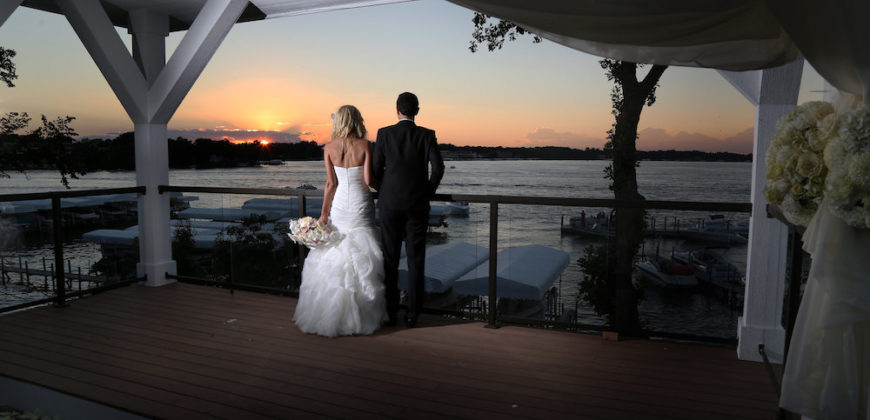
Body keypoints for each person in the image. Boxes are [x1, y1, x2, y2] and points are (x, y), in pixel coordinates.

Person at [293, 105, 387, 337]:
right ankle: (362, 314)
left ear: (338, 122)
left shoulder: (329, 147)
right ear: (357, 121)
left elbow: (331, 184)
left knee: (335, 252)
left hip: (339, 207)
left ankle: (329, 313)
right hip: (360, 202)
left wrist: (324, 215)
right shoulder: (365, 145)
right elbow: (368, 179)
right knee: (363, 253)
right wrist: (388, 188)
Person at [373, 92, 445, 328]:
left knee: (389, 260)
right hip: (416, 204)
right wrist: (427, 192)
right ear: (417, 111)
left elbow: (375, 169)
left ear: (396, 109)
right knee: (416, 260)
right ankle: (413, 314)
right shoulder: (426, 135)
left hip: (390, 204)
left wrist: (386, 190)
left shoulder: (384, 134)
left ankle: (390, 312)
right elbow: (438, 168)